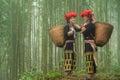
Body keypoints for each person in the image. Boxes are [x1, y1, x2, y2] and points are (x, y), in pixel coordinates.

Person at [80, 10, 98, 80]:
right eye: (83, 16)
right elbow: (82, 31)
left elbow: (84, 33)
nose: (84, 17)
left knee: (89, 58)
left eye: (85, 16)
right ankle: (93, 75)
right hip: (87, 43)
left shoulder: (91, 25)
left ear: (89, 17)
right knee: (90, 58)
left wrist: (83, 27)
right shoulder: (87, 25)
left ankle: (91, 75)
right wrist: (83, 27)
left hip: (90, 44)